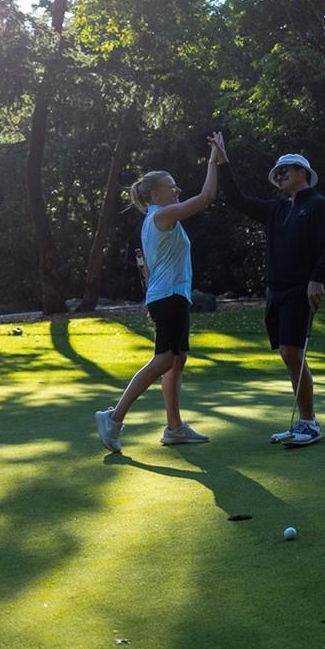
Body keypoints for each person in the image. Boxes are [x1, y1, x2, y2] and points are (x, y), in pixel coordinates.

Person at [210, 132, 325, 447]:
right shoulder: (278, 209)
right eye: (277, 172)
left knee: (291, 352)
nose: (280, 176)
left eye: (285, 170)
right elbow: (236, 199)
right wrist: (224, 163)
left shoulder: (319, 205)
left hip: (300, 288)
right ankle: (303, 421)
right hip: (276, 290)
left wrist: (317, 278)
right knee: (287, 354)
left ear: (302, 173)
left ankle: (309, 422)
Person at [95, 135, 223, 453]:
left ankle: (174, 428)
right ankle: (113, 417)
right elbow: (207, 196)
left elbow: (154, 267)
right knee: (165, 359)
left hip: (171, 297)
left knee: (177, 360)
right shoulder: (161, 216)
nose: (176, 190)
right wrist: (213, 159)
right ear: (154, 194)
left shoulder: (159, 219)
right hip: (168, 298)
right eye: (171, 186)